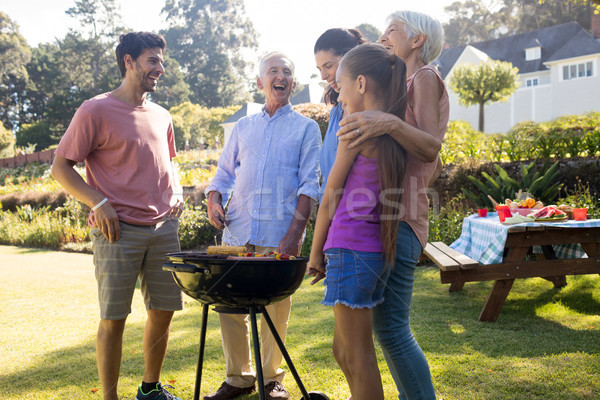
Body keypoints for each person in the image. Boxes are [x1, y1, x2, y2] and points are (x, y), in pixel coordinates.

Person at [51, 32, 184, 400]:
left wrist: (177, 189)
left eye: (161, 60)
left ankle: (149, 388)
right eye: (152, 60)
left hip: (163, 229)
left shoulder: (162, 115)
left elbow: (169, 163)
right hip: (117, 231)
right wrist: (98, 202)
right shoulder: (94, 110)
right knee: (114, 319)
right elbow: (61, 167)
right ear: (129, 62)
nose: (160, 68)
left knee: (163, 312)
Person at [335, 11, 449, 400]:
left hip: (403, 217)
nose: (383, 37)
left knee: (393, 330)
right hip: (386, 215)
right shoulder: (401, 85)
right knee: (385, 332)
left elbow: (431, 146)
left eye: (392, 31)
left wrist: (385, 122)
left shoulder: (425, 77)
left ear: (417, 40)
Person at [203, 51, 321, 400]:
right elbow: (223, 174)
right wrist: (213, 198)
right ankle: (239, 378)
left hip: (278, 235)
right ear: (260, 82)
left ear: (293, 84)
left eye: (286, 72)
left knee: (275, 309)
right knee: (229, 307)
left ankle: (272, 380)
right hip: (237, 232)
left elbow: (309, 185)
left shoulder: (306, 128)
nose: (280, 76)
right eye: (273, 71)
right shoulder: (243, 127)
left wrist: (295, 235)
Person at [308, 43, 409, 400]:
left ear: (362, 84)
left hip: (350, 247)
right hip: (371, 252)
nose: (338, 91)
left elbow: (328, 199)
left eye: (342, 83)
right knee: (342, 350)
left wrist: (314, 253)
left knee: (358, 355)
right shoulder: (395, 131)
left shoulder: (354, 130)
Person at [313, 28, 365, 196]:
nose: (323, 76)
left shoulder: (369, 111)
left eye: (328, 66)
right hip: (332, 217)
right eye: (319, 69)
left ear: (350, 58)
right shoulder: (336, 113)